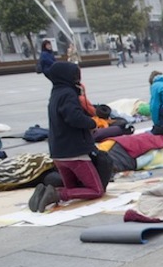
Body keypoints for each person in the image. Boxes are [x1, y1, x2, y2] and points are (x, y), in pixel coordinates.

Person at [28, 62, 105, 213]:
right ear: (67, 76)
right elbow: (74, 117)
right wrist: (91, 123)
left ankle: (45, 193)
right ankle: (56, 193)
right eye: (75, 75)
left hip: (58, 151)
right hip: (74, 152)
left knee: (73, 189)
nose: (78, 78)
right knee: (96, 190)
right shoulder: (68, 94)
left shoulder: (56, 93)